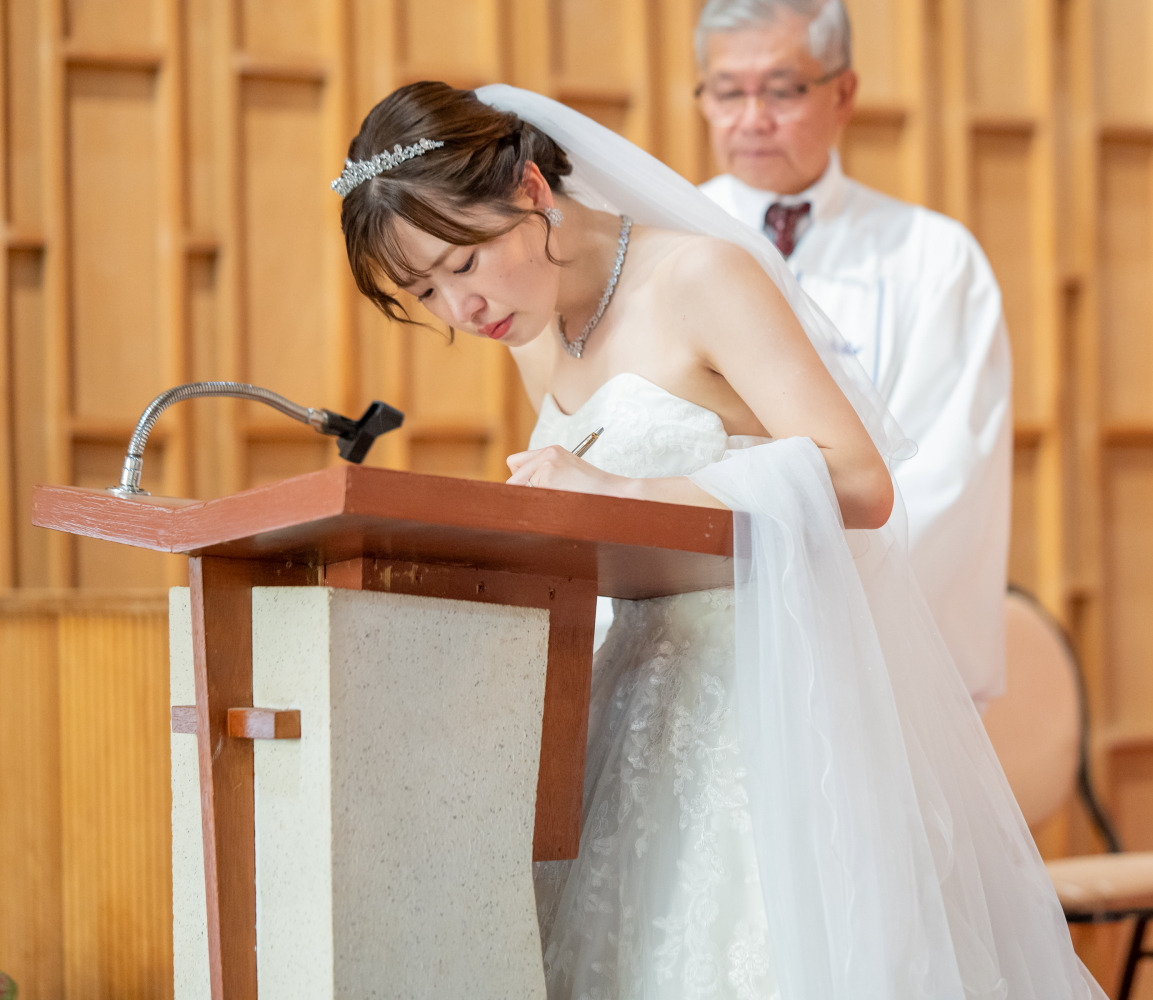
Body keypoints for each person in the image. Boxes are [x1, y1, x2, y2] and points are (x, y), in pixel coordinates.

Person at [333, 81, 1101, 1000]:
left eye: (463, 261)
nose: (461, 308)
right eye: (425, 290)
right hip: (627, 711)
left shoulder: (699, 278)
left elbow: (861, 482)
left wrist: (623, 494)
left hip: (763, 701)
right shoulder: (532, 331)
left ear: (532, 190)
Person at [695, 0, 1014, 711]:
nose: (751, 118)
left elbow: (945, 477)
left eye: (781, 90)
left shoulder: (933, 259)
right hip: (699, 639)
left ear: (843, 94)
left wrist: (797, 607)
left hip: (864, 655)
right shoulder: (665, 242)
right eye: (727, 91)